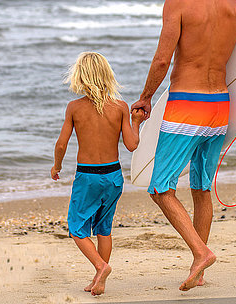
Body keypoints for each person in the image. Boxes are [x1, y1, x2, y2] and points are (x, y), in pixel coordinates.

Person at [131, 0, 236, 291]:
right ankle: (200, 267)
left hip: (187, 105)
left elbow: (162, 60)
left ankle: (200, 252)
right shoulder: (232, 2)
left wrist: (145, 98)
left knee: (161, 188)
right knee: (201, 187)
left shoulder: (177, 2)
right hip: (219, 105)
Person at [51, 52, 145, 296]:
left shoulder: (74, 108)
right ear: (107, 75)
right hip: (114, 176)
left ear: (80, 78)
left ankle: (100, 267)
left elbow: (61, 144)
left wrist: (57, 166)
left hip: (88, 177)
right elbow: (132, 145)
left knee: (76, 228)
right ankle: (99, 279)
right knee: (104, 229)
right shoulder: (121, 107)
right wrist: (136, 122)